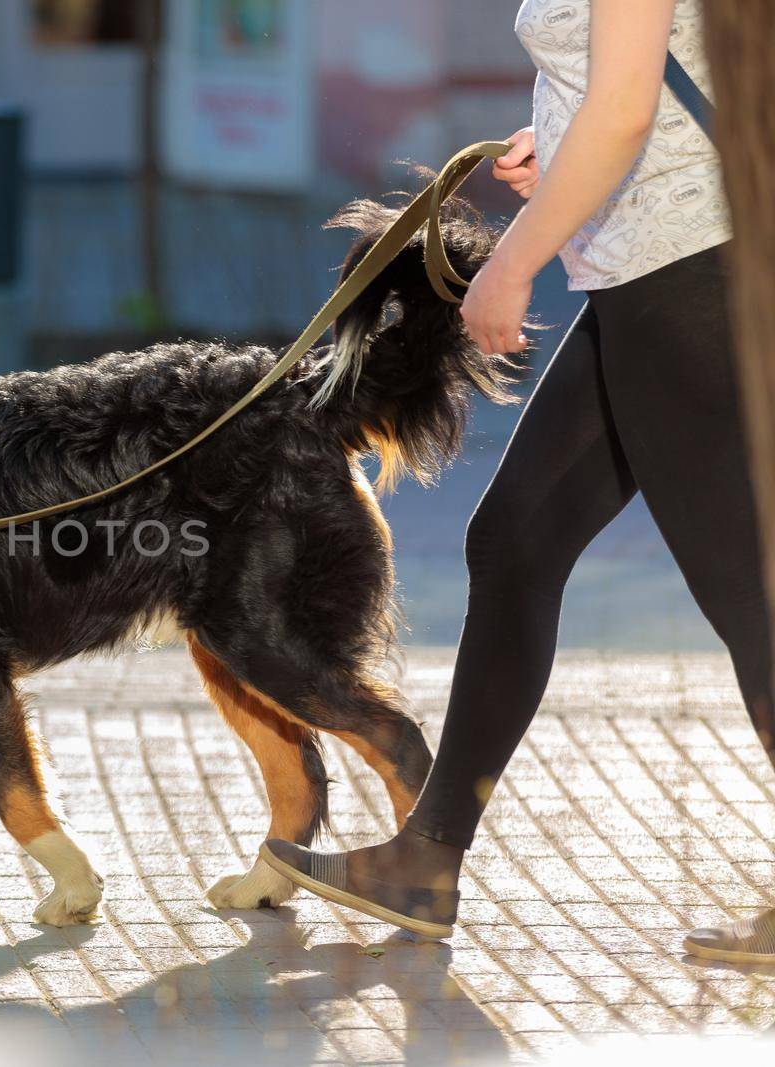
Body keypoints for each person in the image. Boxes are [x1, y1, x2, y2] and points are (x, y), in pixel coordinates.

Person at [261, 0, 775, 964]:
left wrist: (514, 258)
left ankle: (431, 852)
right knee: (514, 543)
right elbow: (635, 84)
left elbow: (627, 110)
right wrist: (563, 137)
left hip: (687, 270)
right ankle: (428, 858)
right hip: (649, 268)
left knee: (749, 592)